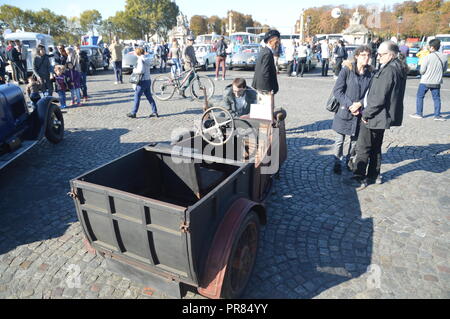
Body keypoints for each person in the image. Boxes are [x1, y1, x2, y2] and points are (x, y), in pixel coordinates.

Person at [349, 41, 407, 190]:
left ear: (390, 54)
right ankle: (374, 175)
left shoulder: (389, 70)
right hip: (382, 115)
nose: (378, 57)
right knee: (375, 147)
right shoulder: (396, 67)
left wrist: (366, 114)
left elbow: (379, 97)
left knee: (364, 147)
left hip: (376, 115)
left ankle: (359, 177)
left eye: (381, 54)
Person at [331, 45, 374, 175]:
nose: (366, 58)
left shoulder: (371, 74)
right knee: (339, 140)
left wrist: (359, 104)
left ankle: (349, 160)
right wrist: (350, 105)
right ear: (356, 56)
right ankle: (337, 161)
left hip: (360, 112)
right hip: (344, 110)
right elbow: (337, 91)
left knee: (355, 141)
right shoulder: (347, 70)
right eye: (363, 55)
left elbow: (371, 94)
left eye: (368, 55)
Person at [410, 39, 448, 122]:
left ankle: (419, 113)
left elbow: (422, 71)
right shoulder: (444, 57)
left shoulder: (427, 57)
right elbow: (444, 70)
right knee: (437, 98)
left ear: (432, 47)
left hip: (425, 81)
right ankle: (437, 115)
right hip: (436, 81)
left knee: (420, 96)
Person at [127, 47, 158, 119]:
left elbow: (141, 70)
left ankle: (133, 113)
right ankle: (154, 111)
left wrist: (134, 71)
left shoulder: (140, 59)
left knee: (137, 96)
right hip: (148, 80)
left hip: (142, 81)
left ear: (137, 53)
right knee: (149, 97)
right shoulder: (146, 58)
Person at [252, 29, 280, 96]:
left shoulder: (264, 51)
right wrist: (268, 90)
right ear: (270, 42)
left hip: (261, 86)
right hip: (265, 88)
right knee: (267, 106)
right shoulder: (267, 53)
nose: (277, 45)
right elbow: (265, 72)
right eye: (276, 42)